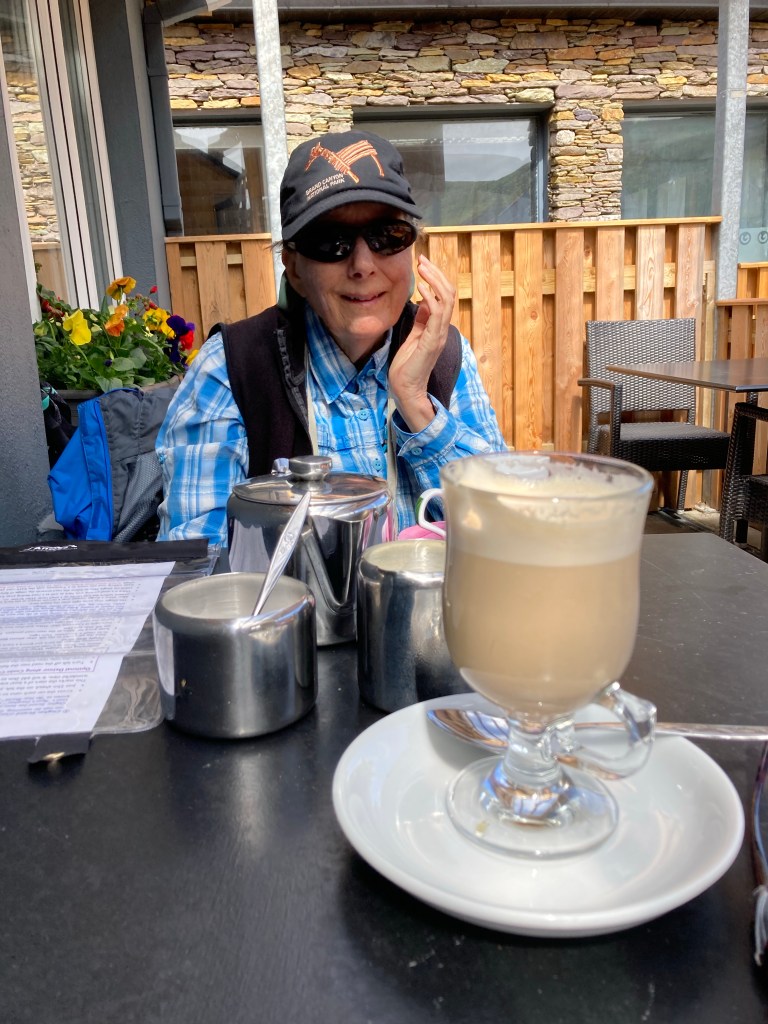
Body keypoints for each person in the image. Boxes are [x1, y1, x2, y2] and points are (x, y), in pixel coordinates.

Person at [156, 129, 506, 546]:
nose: (362, 264)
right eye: (330, 241)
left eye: (387, 236)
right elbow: (201, 561)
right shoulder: (232, 370)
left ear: (412, 249)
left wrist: (417, 404)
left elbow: (506, 529)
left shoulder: (445, 356)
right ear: (295, 269)